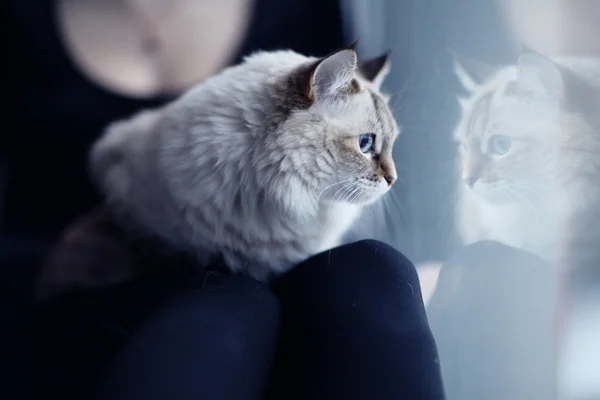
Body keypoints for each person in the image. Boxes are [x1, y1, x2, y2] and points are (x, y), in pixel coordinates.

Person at [1, 1, 445, 399]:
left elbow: (347, 96)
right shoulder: (20, 18)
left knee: (376, 273)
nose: (391, 175)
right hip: (98, 283)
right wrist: (42, 266)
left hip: (272, 270)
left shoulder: (301, 8)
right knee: (226, 308)